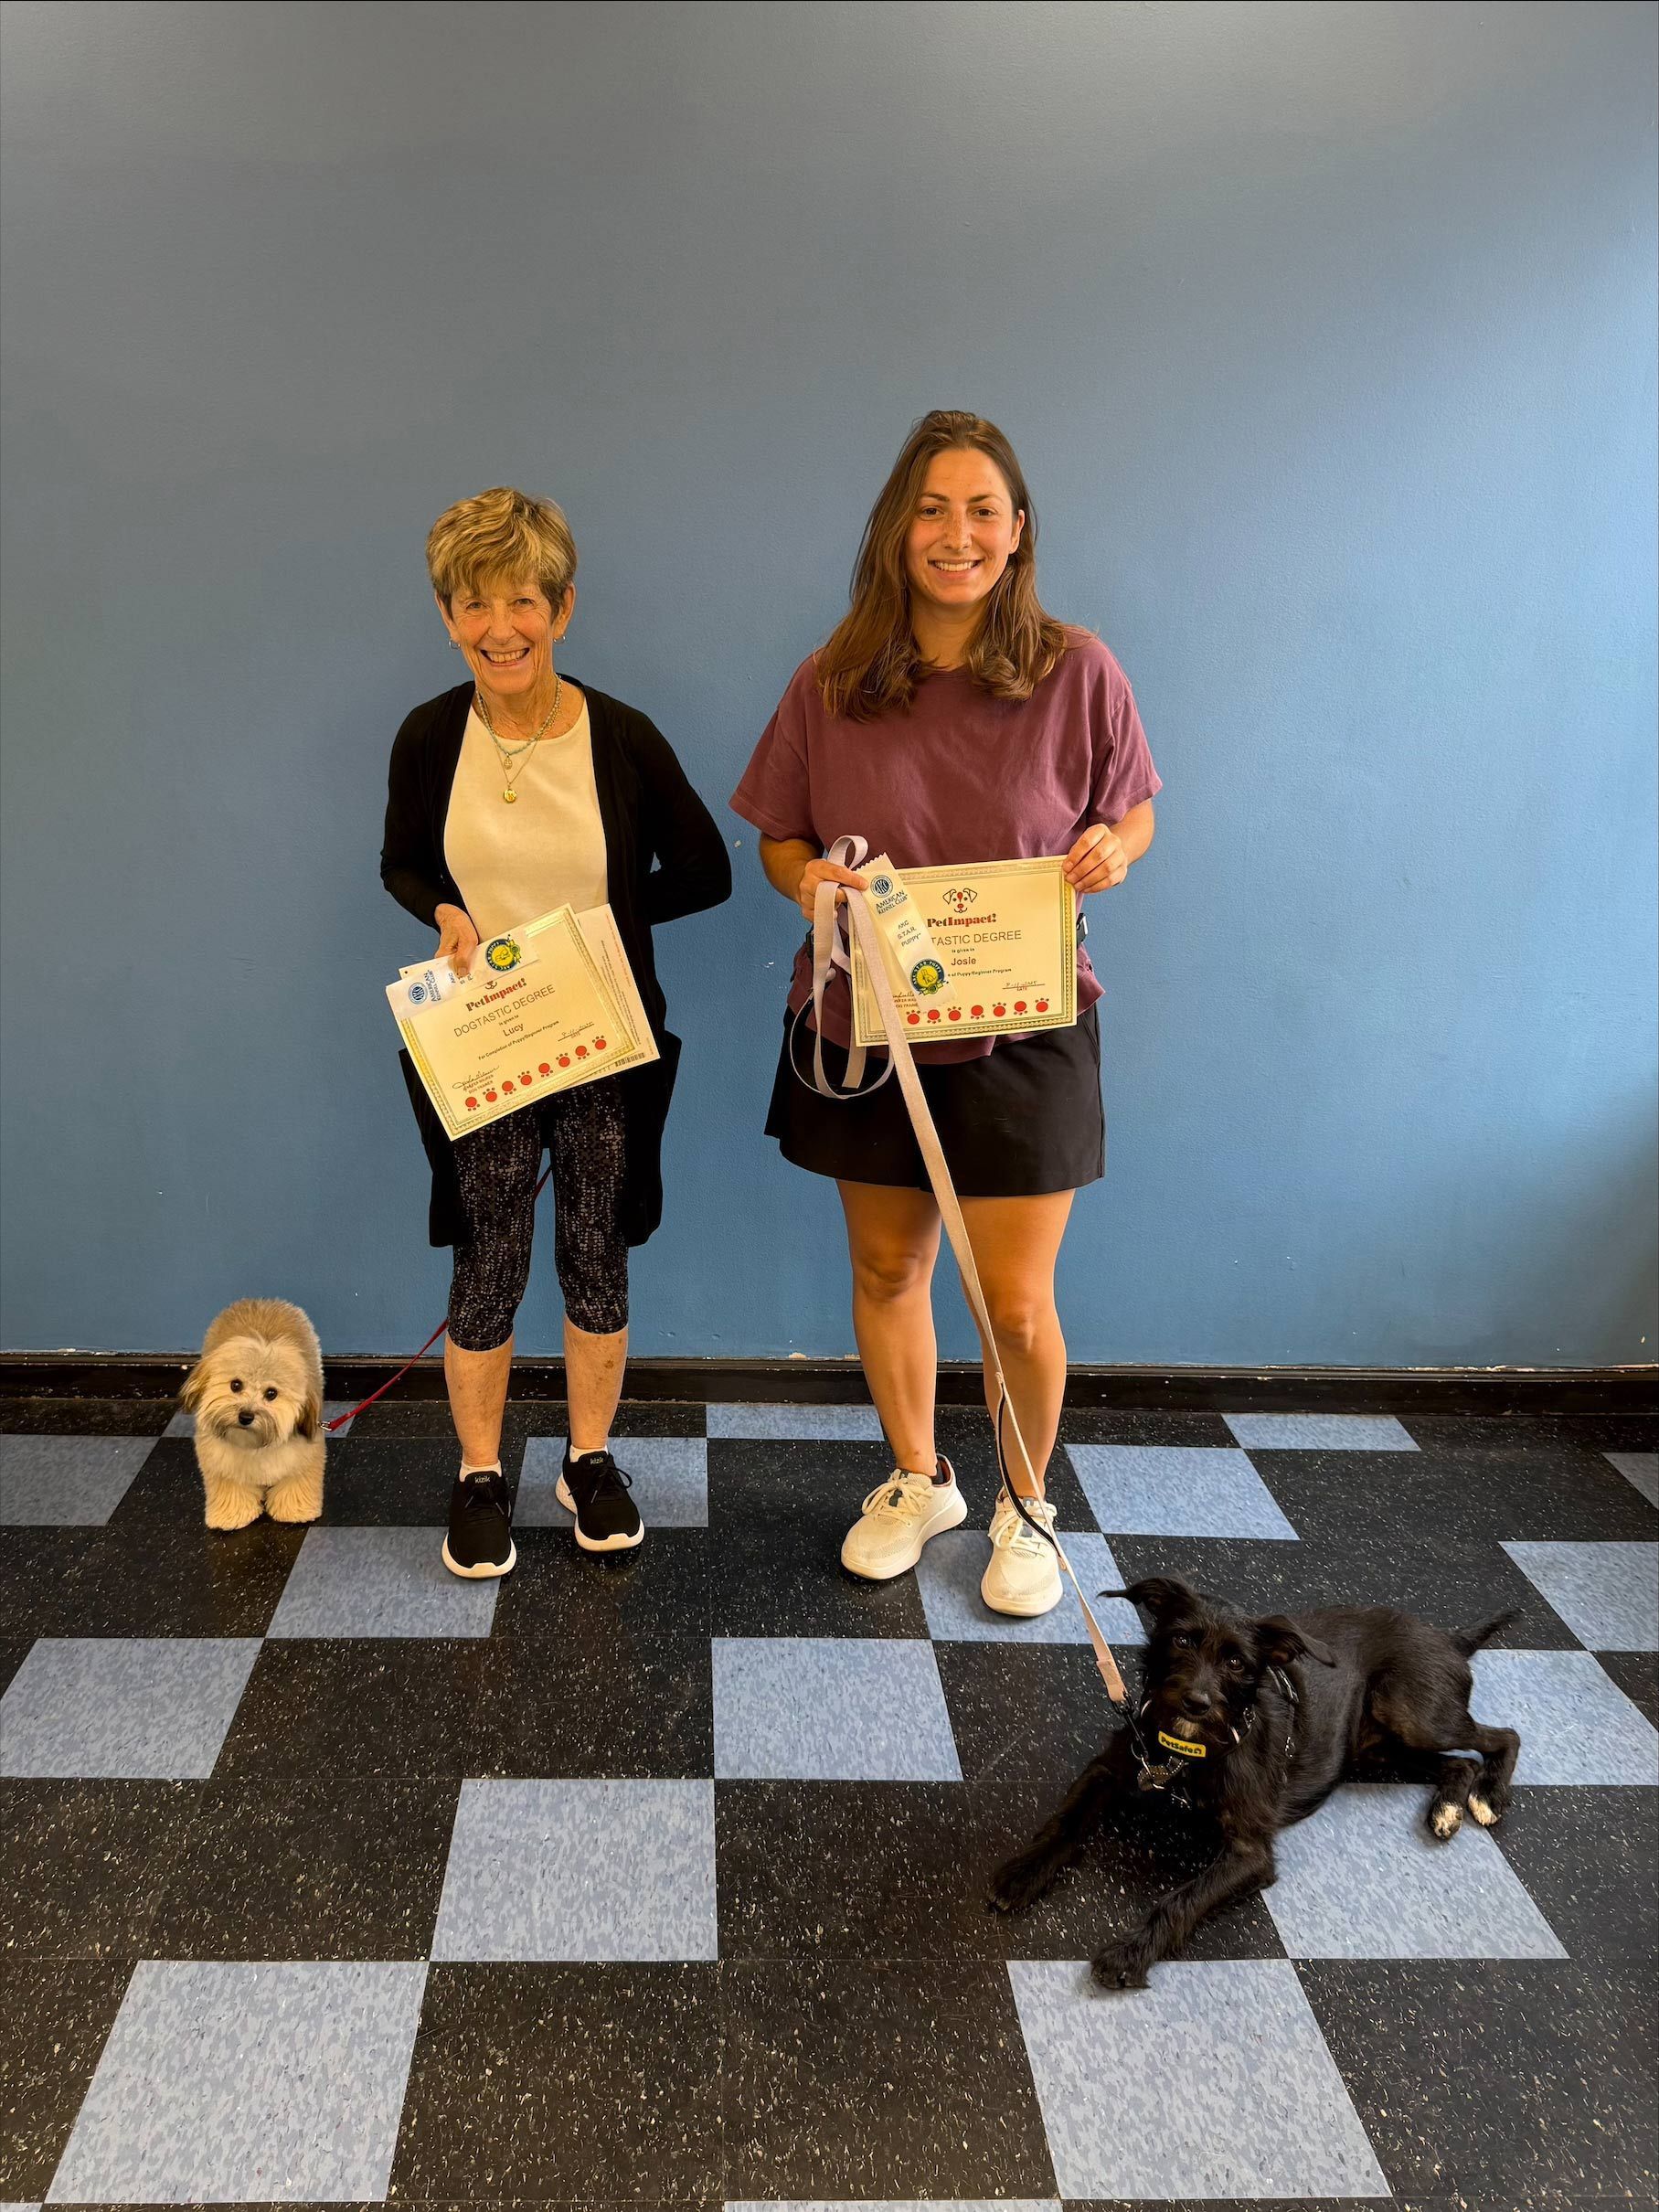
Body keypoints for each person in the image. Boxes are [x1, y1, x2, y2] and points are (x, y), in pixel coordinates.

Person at [730, 411, 1160, 1617]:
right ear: (895, 529)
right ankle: (920, 1480)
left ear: (1017, 531)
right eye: (931, 509)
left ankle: (1026, 1503)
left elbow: (1132, 811)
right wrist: (807, 881)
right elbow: (779, 837)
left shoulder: (1078, 669)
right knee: (887, 1267)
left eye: (981, 509)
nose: (955, 534)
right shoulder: (831, 678)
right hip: (865, 1029)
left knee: (1013, 1302)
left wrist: (1112, 850)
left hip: (1025, 1027)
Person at [382, 485, 730, 1578]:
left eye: (523, 600)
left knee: (595, 1248)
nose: (501, 627)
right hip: (483, 1040)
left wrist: (605, 928)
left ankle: (589, 1457)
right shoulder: (430, 734)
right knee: (488, 1253)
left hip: (600, 1041)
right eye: (475, 603)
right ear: (448, 614)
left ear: (563, 608)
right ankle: (481, 1471)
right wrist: (444, 911)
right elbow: (401, 862)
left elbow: (707, 870)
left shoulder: (619, 735)